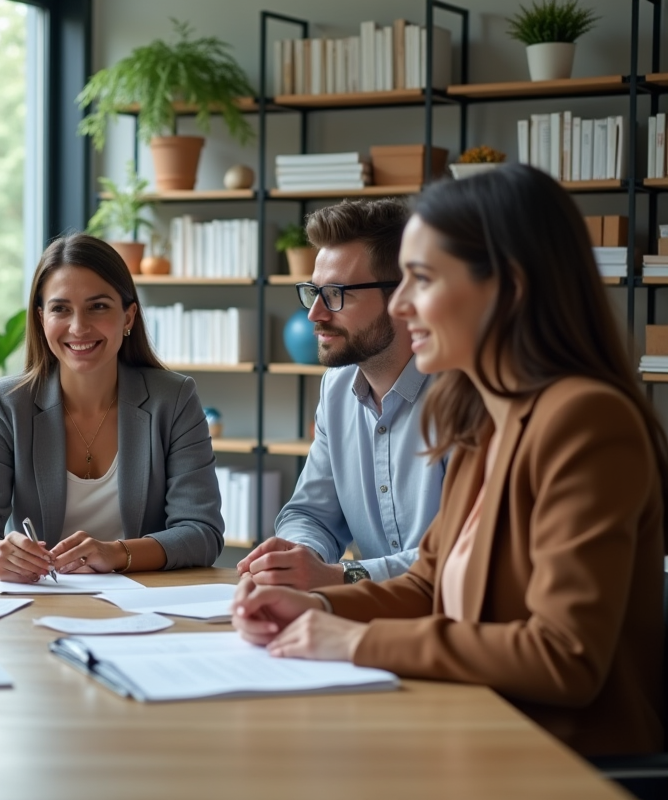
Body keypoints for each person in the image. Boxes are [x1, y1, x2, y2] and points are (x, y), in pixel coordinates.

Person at [232, 164, 665, 757]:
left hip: (563, 761)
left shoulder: (586, 420)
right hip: (473, 729)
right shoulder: (485, 411)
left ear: (507, 286)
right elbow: (429, 583)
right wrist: (314, 605)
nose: (404, 306)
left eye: (422, 280)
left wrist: (353, 641)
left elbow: (566, 657)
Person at [0, 233, 223, 581]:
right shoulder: (6, 404)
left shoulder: (175, 398)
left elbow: (201, 532)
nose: (78, 327)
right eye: (60, 309)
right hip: (40, 605)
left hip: (144, 608)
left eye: (98, 306)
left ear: (128, 317)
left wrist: (116, 553)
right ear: (41, 318)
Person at [236, 199, 445, 591]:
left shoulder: (465, 395)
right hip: (376, 615)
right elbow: (311, 514)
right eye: (313, 292)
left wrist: (345, 575)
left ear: (402, 297)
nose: (315, 313)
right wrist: (296, 558)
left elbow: (468, 552)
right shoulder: (336, 389)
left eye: (335, 293)